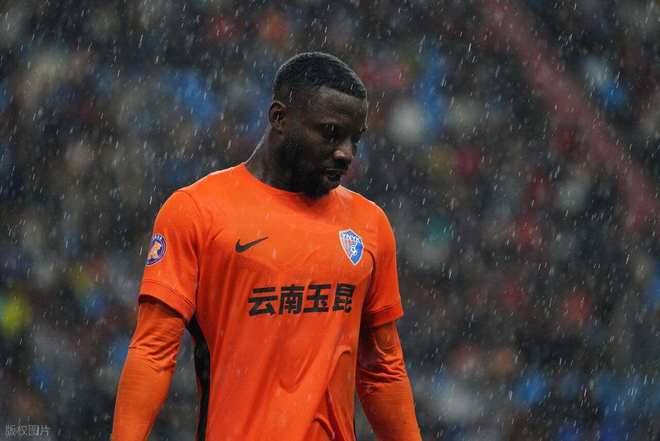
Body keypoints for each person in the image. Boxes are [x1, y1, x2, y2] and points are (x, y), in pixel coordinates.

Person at [112, 52, 422, 441]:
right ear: (279, 118)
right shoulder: (197, 212)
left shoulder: (369, 225)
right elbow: (153, 352)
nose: (346, 153)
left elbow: (382, 369)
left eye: (353, 139)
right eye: (331, 133)